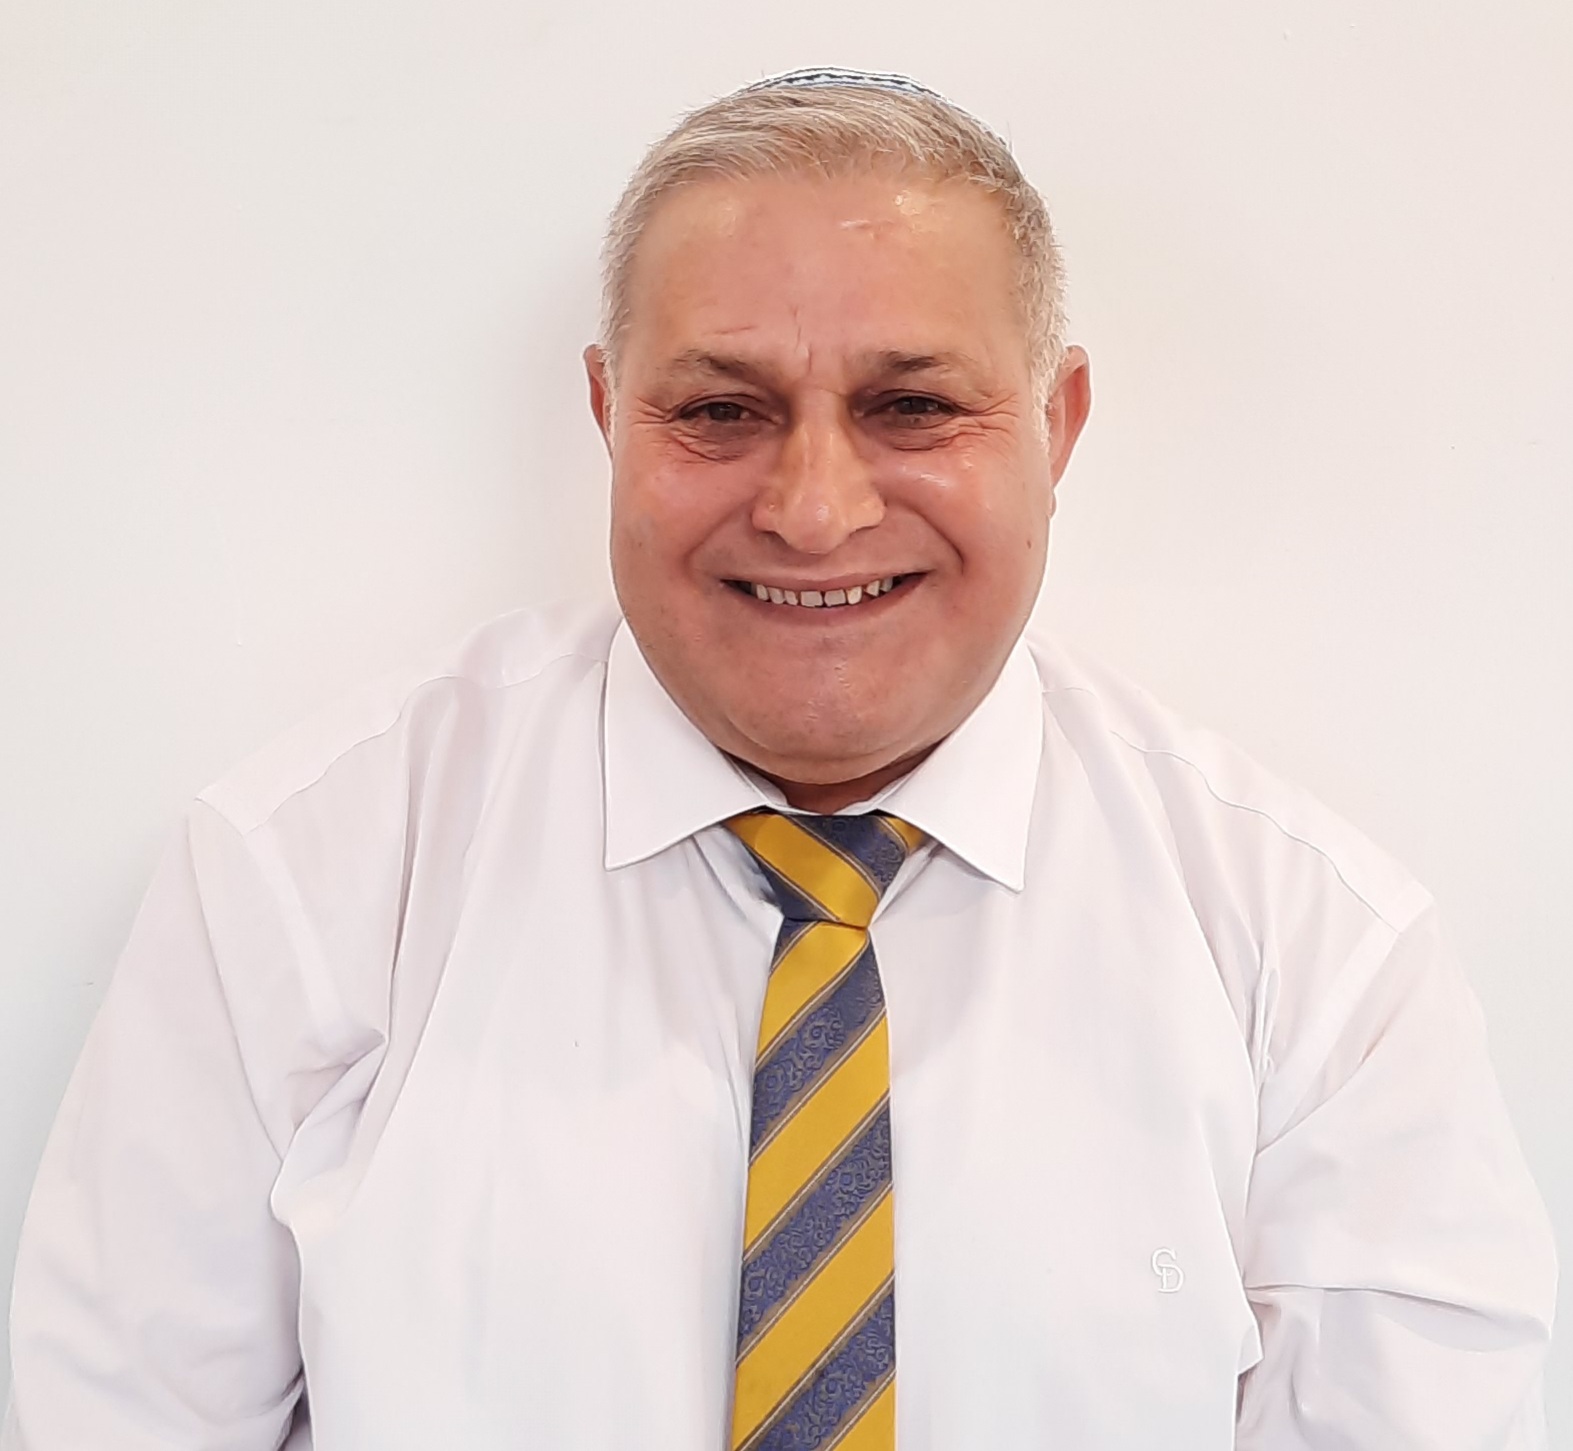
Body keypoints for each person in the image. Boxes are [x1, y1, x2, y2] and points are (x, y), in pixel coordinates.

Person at [1, 67, 1556, 1451]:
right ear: (609, 415)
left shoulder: (1317, 957)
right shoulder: (300, 880)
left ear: (1056, 426)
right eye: (719, 410)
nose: (814, 509)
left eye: (912, 406)